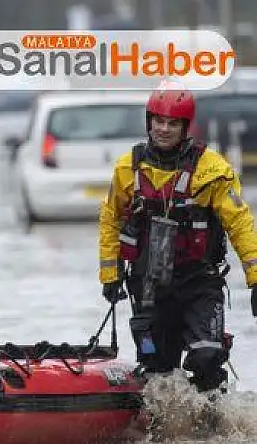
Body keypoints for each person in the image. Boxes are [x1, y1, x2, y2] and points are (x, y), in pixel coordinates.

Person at [99, 84, 257, 402]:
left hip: (199, 283)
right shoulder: (127, 169)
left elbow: (241, 224)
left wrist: (256, 279)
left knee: (207, 358)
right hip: (148, 286)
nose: (164, 129)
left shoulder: (212, 171)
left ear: (186, 127)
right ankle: (165, 438)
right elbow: (111, 219)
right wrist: (110, 274)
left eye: (172, 123)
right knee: (157, 368)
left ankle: (212, 434)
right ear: (148, 122)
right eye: (158, 121)